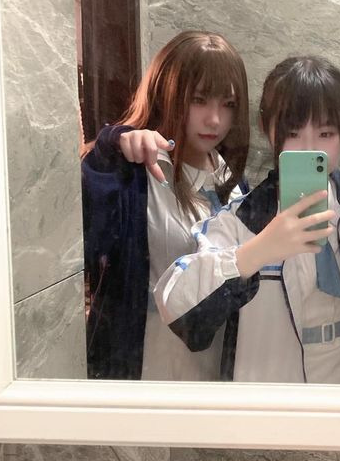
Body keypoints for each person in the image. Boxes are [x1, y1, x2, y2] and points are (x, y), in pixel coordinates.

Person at [154, 56, 340, 383]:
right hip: (270, 392)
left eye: (326, 133)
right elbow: (175, 307)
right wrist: (258, 250)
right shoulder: (240, 220)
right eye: (293, 133)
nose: (309, 148)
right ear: (268, 129)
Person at [82, 30, 250, 381]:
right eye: (199, 100)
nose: (215, 119)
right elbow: (83, 229)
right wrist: (110, 144)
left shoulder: (234, 184)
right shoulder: (133, 173)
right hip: (144, 370)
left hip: (217, 372)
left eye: (228, 104)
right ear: (166, 94)